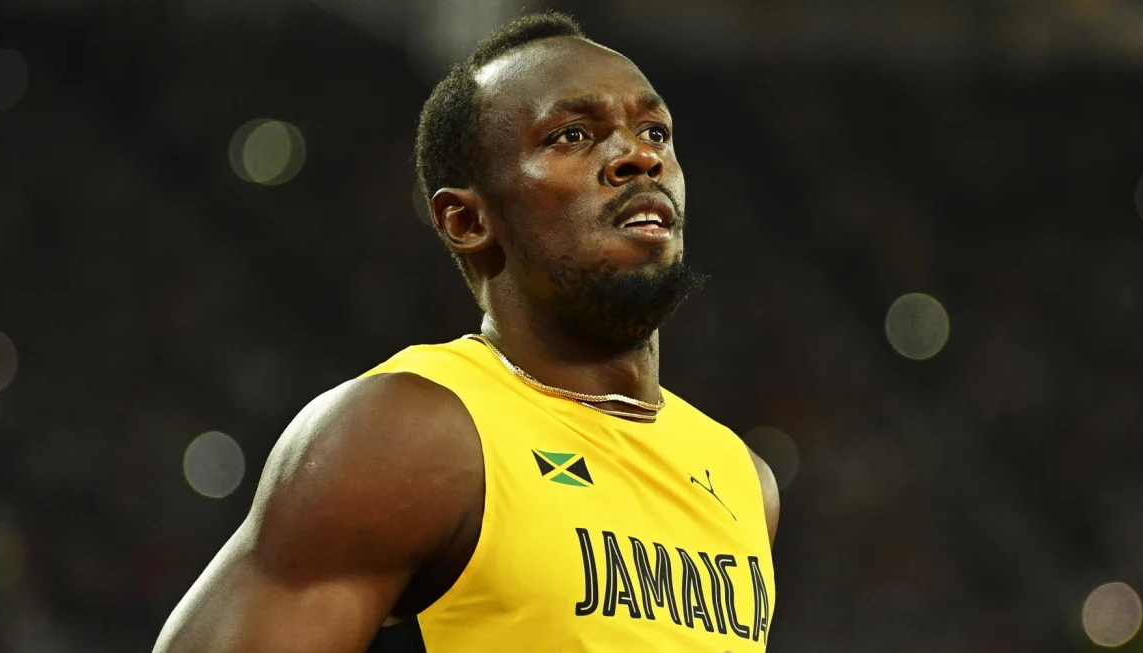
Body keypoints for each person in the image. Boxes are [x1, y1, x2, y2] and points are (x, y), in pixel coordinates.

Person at [154, 10, 779, 653]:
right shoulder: (409, 434)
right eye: (571, 134)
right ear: (467, 219)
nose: (639, 157)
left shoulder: (742, 479)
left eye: (654, 130)